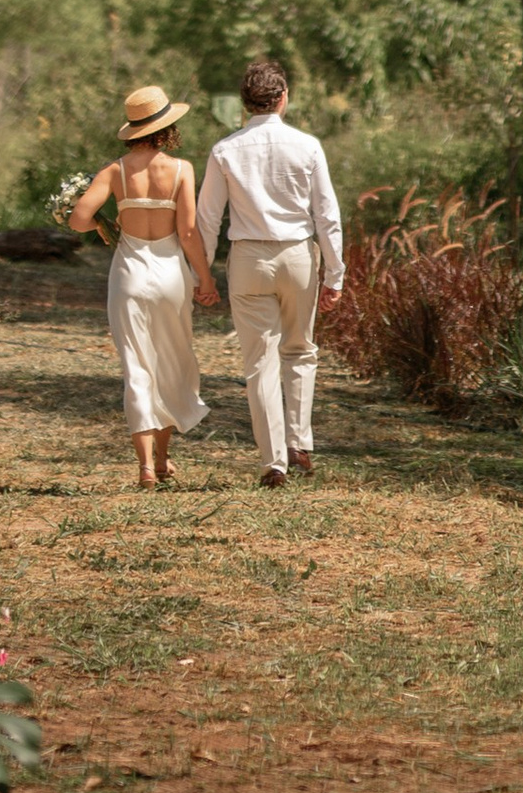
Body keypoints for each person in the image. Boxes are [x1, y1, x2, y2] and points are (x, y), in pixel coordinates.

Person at [197, 56, 343, 489]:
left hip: (248, 259)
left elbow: (208, 218)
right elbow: (327, 215)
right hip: (298, 255)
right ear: (283, 98)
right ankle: (300, 441)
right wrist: (335, 274)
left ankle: (273, 460)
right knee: (299, 350)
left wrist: (201, 275)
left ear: (245, 104)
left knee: (259, 362)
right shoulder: (307, 146)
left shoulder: (224, 150)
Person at [70, 84, 220, 490]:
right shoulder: (181, 170)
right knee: (172, 363)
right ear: (167, 128)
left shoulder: (115, 171)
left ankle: (146, 469)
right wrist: (205, 279)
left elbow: (78, 219)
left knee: (136, 368)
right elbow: (188, 232)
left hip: (130, 276)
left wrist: (105, 224)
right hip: (171, 274)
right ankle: (165, 456)